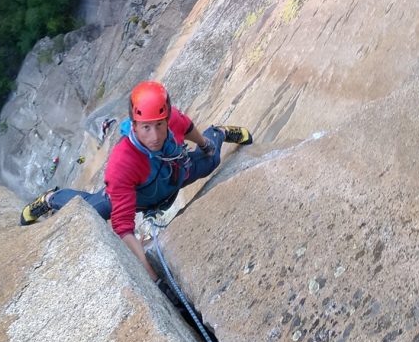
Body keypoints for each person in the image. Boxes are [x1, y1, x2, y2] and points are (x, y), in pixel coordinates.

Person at [20, 80, 252, 281]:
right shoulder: (123, 162)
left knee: (212, 160)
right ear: (134, 125)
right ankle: (51, 199)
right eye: (146, 128)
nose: (155, 136)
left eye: (159, 125)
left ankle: (220, 132)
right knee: (89, 210)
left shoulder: (171, 119)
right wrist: (151, 275)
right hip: (140, 195)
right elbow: (123, 225)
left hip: (176, 173)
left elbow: (187, 126)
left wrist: (205, 144)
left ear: (166, 118)